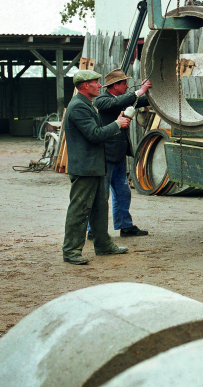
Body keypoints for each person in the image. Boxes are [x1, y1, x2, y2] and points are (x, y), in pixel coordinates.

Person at [62, 70, 130, 265]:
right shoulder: (79, 108)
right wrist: (117, 124)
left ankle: (103, 245)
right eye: (96, 82)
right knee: (80, 209)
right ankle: (71, 251)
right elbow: (94, 134)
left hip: (94, 167)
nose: (100, 86)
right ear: (85, 86)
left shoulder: (86, 105)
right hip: (85, 169)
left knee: (100, 208)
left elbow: (96, 132)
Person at [92, 68, 152, 238]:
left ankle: (125, 225)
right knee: (101, 195)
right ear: (115, 86)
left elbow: (138, 101)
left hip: (117, 155)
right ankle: (93, 229)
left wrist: (152, 94)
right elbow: (117, 104)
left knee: (123, 192)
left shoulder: (120, 99)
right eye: (124, 83)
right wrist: (139, 91)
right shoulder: (103, 100)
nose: (126, 86)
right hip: (106, 155)